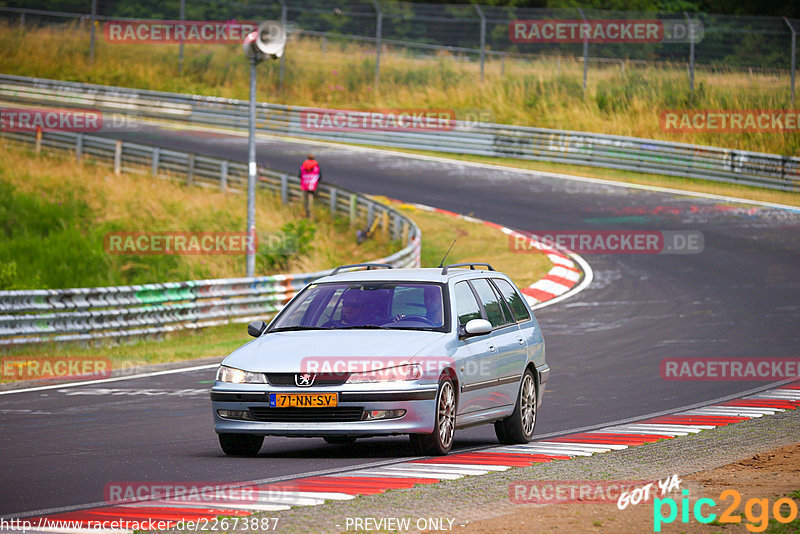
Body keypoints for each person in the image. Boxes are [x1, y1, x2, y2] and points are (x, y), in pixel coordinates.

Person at [299, 154, 321, 219]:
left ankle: (307, 213)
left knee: (306, 200)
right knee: (316, 198)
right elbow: (319, 175)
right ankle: (315, 212)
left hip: (305, 184)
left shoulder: (303, 165)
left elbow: (300, 175)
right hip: (313, 185)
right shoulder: (316, 165)